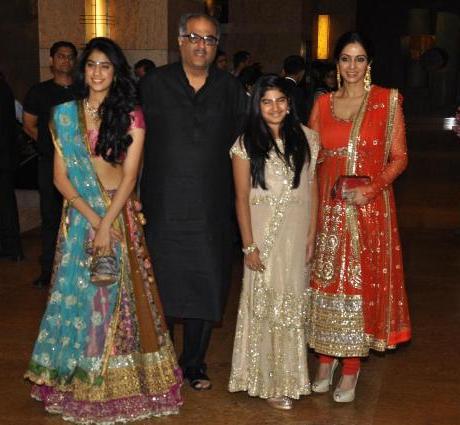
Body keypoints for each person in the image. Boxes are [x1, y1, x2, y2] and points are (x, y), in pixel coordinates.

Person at [24, 37, 182, 423]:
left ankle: (115, 381)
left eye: (105, 66)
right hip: (81, 218)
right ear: (83, 70)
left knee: (116, 299)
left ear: (115, 72)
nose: (97, 72)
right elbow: (60, 178)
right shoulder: (65, 115)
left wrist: (108, 223)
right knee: (79, 299)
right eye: (92, 64)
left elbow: (130, 177)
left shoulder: (131, 115)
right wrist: (96, 224)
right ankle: (78, 376)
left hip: (119, 214)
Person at [140, 13, 247, 390]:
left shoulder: (230, 89)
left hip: (211, 207)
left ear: (217, 46)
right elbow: (133, 139)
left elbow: (247, 144)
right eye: (194, 37)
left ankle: (194, 364)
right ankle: (162, 362)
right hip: (162, 206)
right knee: (162, 284)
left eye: (210, 39)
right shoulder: (154, 84)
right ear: (180, 40)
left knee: (206, 281)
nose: (202, 45)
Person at [307, 31, 411, 403]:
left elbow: (400, 158)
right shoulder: (322, 103)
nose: (352, 66)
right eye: (346, 59)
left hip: (368, 209)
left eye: (360, 59)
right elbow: (311, 156)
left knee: (356, 286)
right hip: (327, 207)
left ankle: (350, 366)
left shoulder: (386, 101)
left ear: (370, 64)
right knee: (325, 284)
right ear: (336, 64)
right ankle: (325, 359)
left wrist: (372, 188)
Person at [228, 75, 319, 409]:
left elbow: (312, 187)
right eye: (267, 101)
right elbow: (240, 197)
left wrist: (311, 234)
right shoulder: (245, 143)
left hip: (296, 236)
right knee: (265, 303)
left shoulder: (308, 138)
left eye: (280, 100)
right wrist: (249, 245)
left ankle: (290, 378)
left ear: (289, 104)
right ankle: (266, 381)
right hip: (263, 236)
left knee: (292, 304)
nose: (275, 107)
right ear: (257, 106)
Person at [23, 41, 78, 287]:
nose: (66, 60)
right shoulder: (39, 92)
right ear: (51, 60)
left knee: (79, 216)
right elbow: (29, 125)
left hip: (80, 165)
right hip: (50, 164)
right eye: (61, 56)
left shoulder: (83, 90)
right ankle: (48, 270)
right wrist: (50, 146)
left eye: (70, 56)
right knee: (51, 217)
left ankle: (77, 268)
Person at [0, 75, 23, 261]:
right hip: (6, 156)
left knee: (5, 204)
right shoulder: (5, 87)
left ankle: (10, 248)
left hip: (3, 156)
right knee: (6, 202)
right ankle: (11, 248)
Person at [282, 55, 309, 124]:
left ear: (283, 71)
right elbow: (302, 118)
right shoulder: (298, 92)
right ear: (302, 73)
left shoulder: (275, 87)